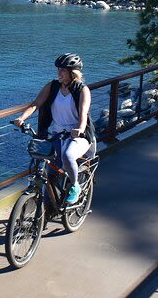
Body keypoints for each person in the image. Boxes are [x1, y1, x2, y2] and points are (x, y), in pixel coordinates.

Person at [12, 53, 95, 204]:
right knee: (48, 169)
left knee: (68, 156)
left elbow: (84, 115)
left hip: (79, 136)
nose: (59, 73)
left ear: (72, 73)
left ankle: (75, 186)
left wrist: (80, 129)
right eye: (58, 70)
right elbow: (35, 104)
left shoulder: (82, 90)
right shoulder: (53, 86)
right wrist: (22, 118)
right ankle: (51, 204)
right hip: (58, 134)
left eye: (63, 70)